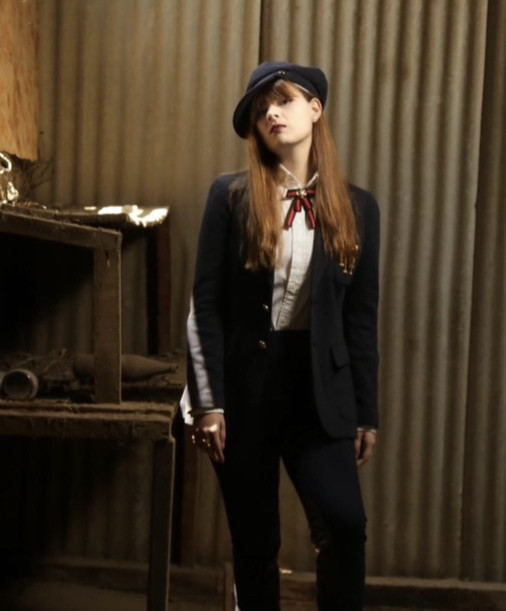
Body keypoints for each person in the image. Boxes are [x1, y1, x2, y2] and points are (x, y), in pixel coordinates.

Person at [181, 61, 380, 611]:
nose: (271, 113)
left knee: (344, 525)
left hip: (319, 391)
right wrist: (208, 403)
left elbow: (361, 319)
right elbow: (204, 305)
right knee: (255, 541)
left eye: (284, 100)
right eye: (261, 108)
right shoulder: (229, 197)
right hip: (245, 388)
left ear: (315, 109)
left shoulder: (359, 208)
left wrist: (365, 412)